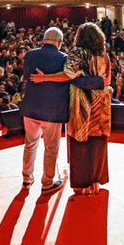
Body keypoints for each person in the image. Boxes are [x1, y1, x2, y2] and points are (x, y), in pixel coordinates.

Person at [20, 27, 105, 194]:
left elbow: (27, 76)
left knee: (30, 144)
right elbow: (69, 76)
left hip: (30, 107)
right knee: (50, 148)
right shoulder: (64, 58)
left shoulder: (29, 54)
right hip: (53, 110)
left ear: (43, 40)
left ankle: (26, 178)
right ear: (59, 43)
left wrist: (43, 77)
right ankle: (47, 183)